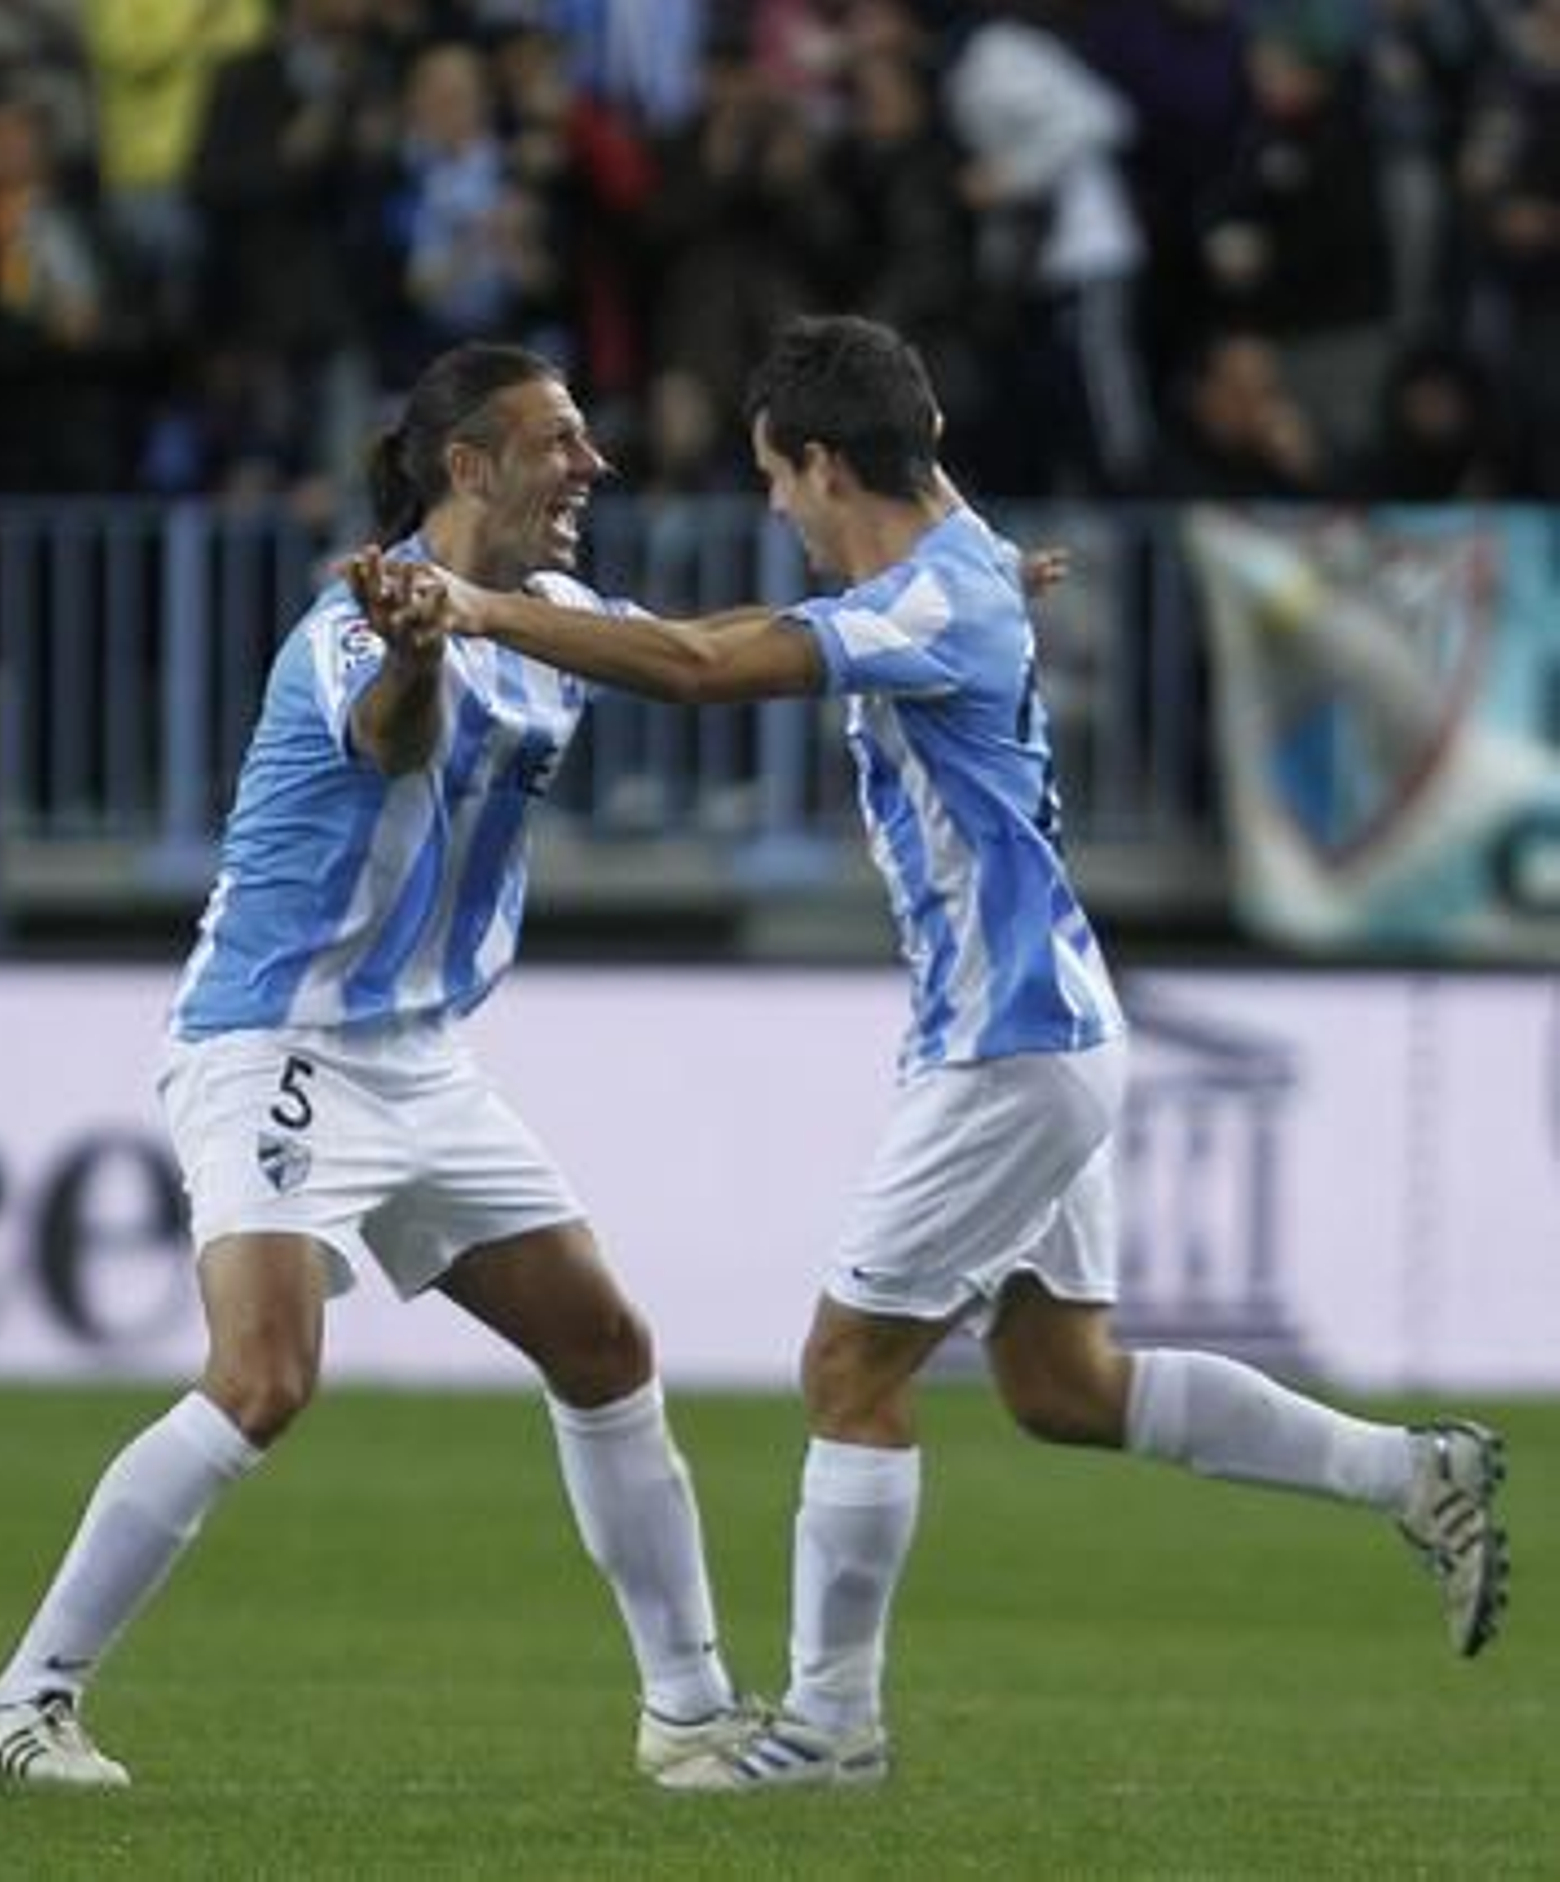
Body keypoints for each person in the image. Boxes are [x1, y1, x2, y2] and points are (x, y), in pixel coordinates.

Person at [352, 314, 1512, 1792]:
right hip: (1055, 1023)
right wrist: (988, 573)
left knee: (847, 1365)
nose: (776, 509)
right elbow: (931, 534)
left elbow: (704, 665)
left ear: (829, 464)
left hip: (1006, 1043)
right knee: (1062, 1383)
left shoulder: (927, 607)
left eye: (780, 479)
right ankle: (1413, 1472)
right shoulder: (954, 565)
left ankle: (830, 1728)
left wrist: (478, 606)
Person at [0, 342, 753, 1789]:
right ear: (470, 467)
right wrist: (417, 648)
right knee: (263, 1377)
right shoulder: (355, 619)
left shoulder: (556, 611)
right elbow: (394, 744)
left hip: (418, 1058)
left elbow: (703, 656)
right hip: (278, 1033)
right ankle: (23, 1701)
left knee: (606, 1348)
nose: (594, 465)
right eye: (561, 440)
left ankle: (692, 1714)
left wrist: (902, 615)